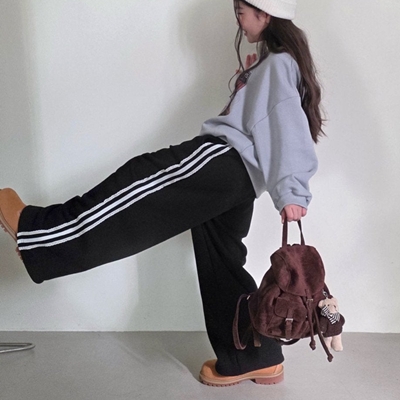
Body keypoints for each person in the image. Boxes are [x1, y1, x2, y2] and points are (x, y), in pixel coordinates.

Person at [0, 0, 324, 387]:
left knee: (139, 183)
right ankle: (252, 356)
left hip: (225, 161)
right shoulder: (275, 63)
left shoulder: (278, 64)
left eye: (241, 10)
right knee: (221, 261)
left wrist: (292, 191)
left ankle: (38, 232)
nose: (237, 19)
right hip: (242, 176)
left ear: (264, 14)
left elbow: (287, 126)